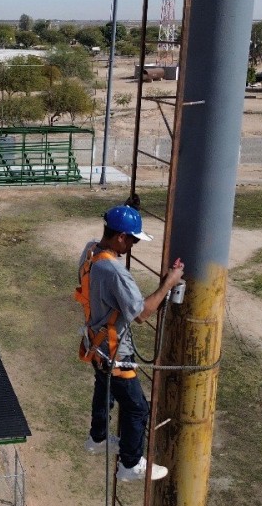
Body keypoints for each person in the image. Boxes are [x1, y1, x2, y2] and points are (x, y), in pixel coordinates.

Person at [77, 205, 184, 482]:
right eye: (133, 239)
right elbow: (141, 314)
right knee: (137, 408)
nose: (133, 245)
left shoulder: (90, 252)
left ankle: (98, 437)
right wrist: (168, 284)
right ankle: (130, 464)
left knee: (104, 388)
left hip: (95, 345)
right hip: (115, 352)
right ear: (120, 237)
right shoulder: (115, 272)